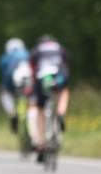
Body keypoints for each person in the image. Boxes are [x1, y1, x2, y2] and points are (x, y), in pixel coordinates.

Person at [27, 34, 70, 163]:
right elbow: (66, 65)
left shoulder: (36, 50)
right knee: (64, 91)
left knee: (40, 110)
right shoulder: (60, 48)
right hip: (59, 74)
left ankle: (41, 144)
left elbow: (32, 71)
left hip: (42, 76)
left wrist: (32, 89)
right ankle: (61, 112)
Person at [0, 38, 31, 133]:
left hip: (11, 80)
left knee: (4, 93)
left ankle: (12, 113)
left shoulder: (5, 57)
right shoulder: (27, 54)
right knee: (30, 96)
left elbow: (2, 70)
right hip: (27, 80)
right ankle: (29, 112)